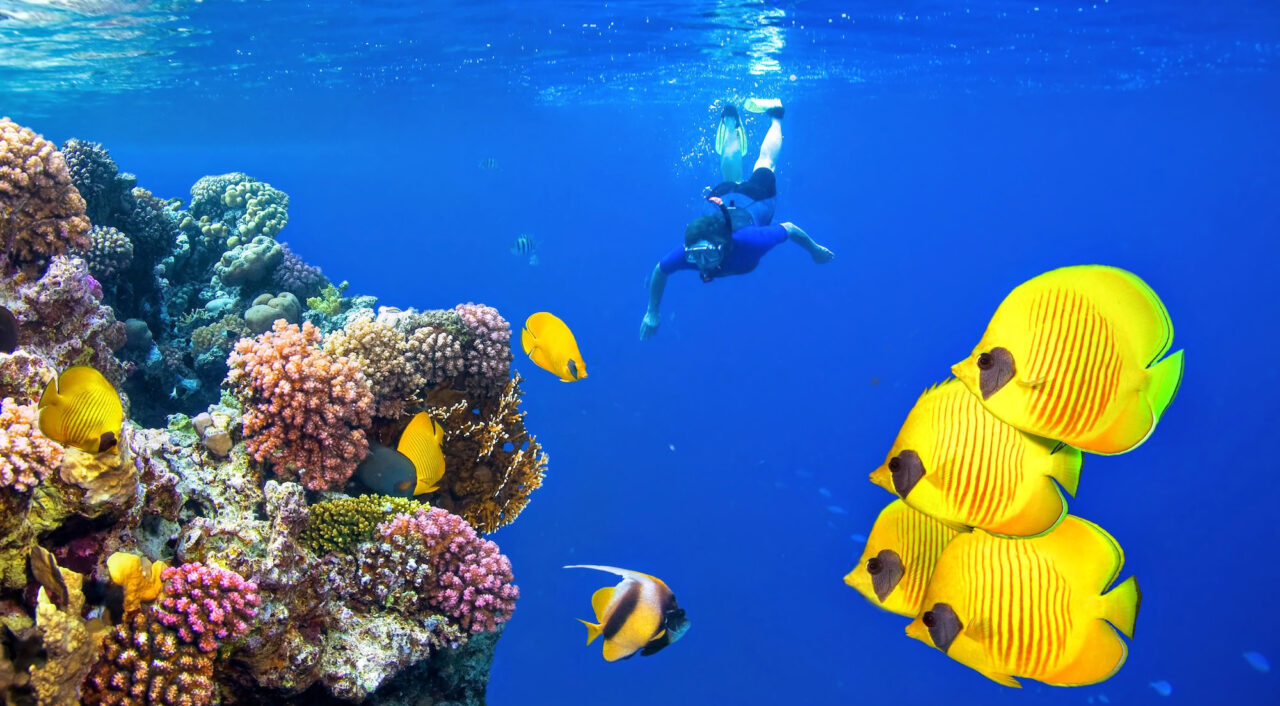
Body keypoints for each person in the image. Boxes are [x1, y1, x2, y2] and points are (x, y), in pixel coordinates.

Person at [639, 98, 834, 340]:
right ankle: (732, 123)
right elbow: (660, 270)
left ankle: (775, 115)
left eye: (707, 255)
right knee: (739, 173)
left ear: (723, 246)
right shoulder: (693, 250)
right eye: (696, 255)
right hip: (721, 198)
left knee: (766, 163)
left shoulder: (750, 240)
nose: (701, 263)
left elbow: (790, 228)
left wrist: (814, 250)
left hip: (757, 199)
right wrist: (652, 312)